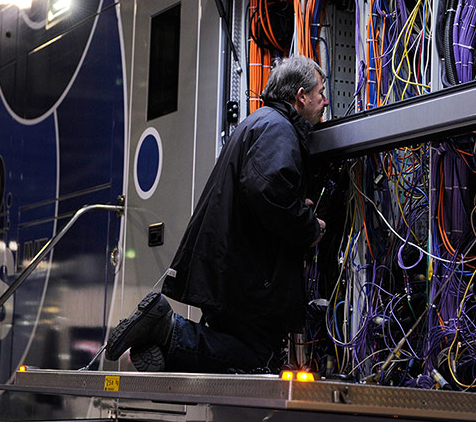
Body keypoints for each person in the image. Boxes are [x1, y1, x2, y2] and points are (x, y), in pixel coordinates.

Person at [105, 56, 328, 373]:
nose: (325, 100)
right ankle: (169, 331)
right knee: (257, 361)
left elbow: (262, 188)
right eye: (321, 92)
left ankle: (164, 345)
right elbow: (267, 190)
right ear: (302, 95)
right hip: (251, 281)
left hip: (231, 275)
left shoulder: (258, 122)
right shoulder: (279, 129)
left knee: (228, 351)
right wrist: (309, 226)